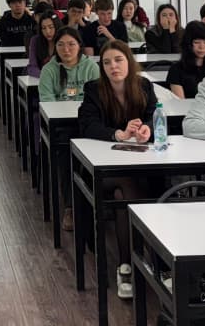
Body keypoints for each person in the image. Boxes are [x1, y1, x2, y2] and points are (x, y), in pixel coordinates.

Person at [77, 39, 158, 299]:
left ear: (129, 61)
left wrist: (147, 130)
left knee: (126, 195)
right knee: (126, 184)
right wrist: (118, 135)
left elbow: (154, 116)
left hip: (139, 166)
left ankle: (126, 266)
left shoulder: (143, 86)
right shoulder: (94, 89)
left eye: (119, 60)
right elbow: (87, 125)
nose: (113, 66)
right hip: (103, 171)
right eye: (107, 62)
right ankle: (153, 263)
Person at [166, 20, 205, 99]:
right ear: (187, 44)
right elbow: (181, 102)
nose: (201, 47)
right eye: (196, 42)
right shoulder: (176, 70)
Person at [28, 12, 60, 77]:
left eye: (51, 27)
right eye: (44, 28)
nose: (47, 31)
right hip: (41, 78)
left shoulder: (64, 40)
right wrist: (45, 76)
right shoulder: (35, 40)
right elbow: (32, 66)